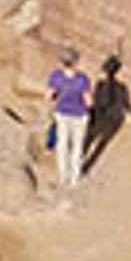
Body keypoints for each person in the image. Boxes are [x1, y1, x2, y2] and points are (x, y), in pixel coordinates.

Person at [44, 47, 96, 192]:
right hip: (79, 115)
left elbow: (48, 96)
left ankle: (63, 175)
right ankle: (75, 178)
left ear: (62, 62)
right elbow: (89, 102)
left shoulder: (56, 77)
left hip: (62, 113)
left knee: (62, 144)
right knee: (77, 146)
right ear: (76, 62)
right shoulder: (83, 80)